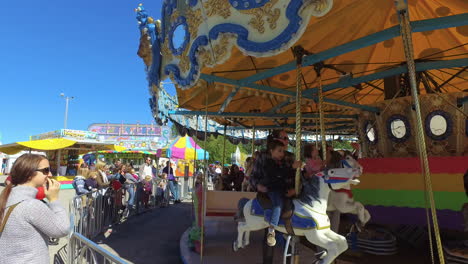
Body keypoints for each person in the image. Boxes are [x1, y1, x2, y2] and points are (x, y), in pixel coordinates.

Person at [0, 154, 69, 264]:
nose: (50, 174)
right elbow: (62, 229)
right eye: (46, 170)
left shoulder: (8, 196)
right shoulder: (31, 205)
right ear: (29, 174)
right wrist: (54, 200)